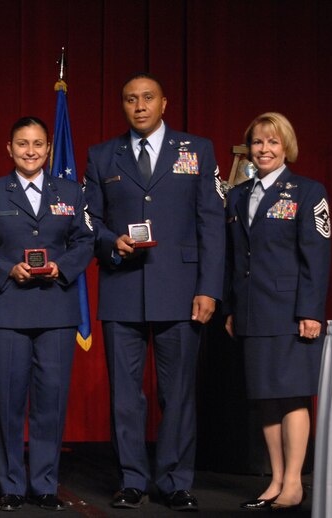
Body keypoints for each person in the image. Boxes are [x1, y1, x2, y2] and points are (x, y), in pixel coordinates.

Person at [83, 72, 225, 512]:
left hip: (182, 289)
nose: (139, 106)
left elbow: (212, 224)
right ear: (122, 106)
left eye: (147, 98)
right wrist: (110, 243)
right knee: (126, 395)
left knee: (177, 392)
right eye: (130, 99)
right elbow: (89, 221)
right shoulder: (103, 155)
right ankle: (131, 479)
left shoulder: (196, 150)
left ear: (165, 103)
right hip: (122, 286)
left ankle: (175, 480)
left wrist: (209, 288)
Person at [0, 116, 94, 512]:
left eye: (38, 143)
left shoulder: (72, 191)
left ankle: (44, 485)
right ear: (9, 148)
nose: (31, 150)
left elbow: (86, 240)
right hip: (7, 310)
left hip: (56, 307)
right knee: (9, 402)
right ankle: (11, 485)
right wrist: (7, 270)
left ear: (49, 148)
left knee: (50, 403)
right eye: (23, 143)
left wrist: (63, 267)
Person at [224, 113, 330, 513]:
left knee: (291, 397)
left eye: (272, 142)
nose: (263, 150)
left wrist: (311, 311)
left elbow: (316, 258)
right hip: (252, 310)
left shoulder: (307, 191)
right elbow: (235, 259)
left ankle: (294, 483)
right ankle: (274, 478)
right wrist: (232, 308)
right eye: (256, 143)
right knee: (265, 399)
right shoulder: (237, 195)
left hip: (290, 312)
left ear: (286, 146)